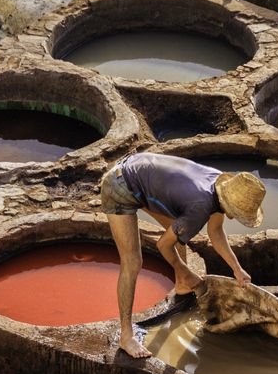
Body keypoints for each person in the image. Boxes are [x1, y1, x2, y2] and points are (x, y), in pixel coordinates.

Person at [100, 152, 266, 358]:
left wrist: (237, 269)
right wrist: (186, 271)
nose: (234, 218)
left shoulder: (220, 185)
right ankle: (126, 336)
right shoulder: (201, 207)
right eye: (237, 213)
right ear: (229, 203)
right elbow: (163, 245)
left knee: (178, 228)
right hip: (120, 185)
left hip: (139, 172)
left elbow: (215, 232)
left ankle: (181, 284)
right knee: (132, 262)